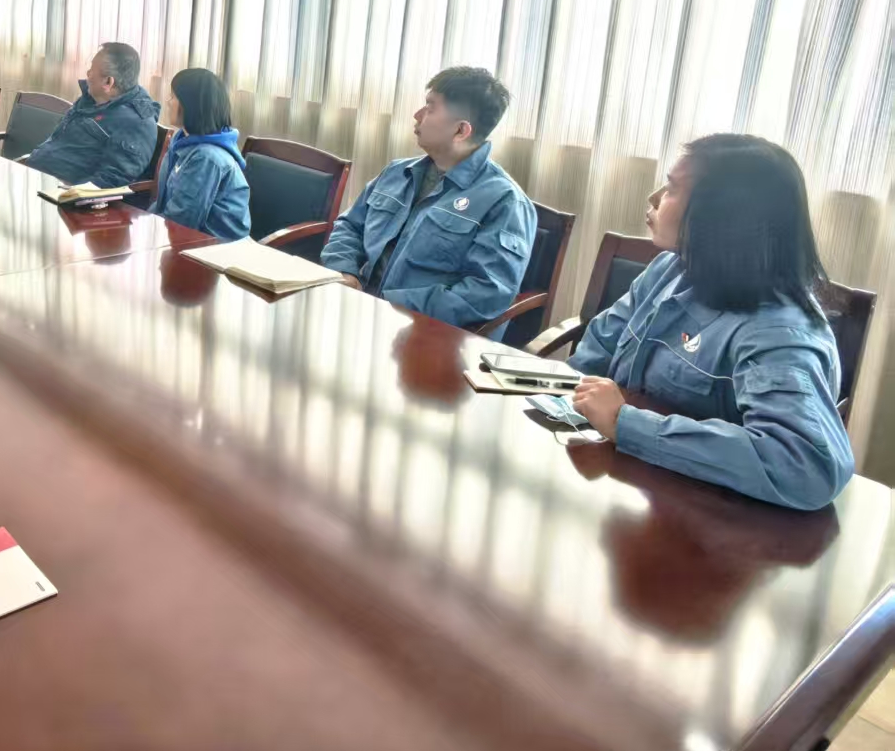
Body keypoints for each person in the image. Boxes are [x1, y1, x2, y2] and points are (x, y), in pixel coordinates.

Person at [568, 134, 854, 511]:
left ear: (722, 215)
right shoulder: (670, 269)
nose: (654, 198)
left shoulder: (778, 330)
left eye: (671, 188)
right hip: (630, 487)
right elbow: (599, 347)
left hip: (713, 521)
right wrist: (558, 400)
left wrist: (626, 423)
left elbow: (806, 465)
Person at [321, 66, 536, 331]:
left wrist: (385, 306)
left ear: (461, 130)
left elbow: (486, 293)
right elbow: (350, 225)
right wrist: (346, 272)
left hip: (426, 333)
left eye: (430, 108)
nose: (417, 115)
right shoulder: (397, 172)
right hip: (358, 313)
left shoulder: (505, 202)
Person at [23, 42, 161, 188]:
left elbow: (112, 180)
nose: (87, 74)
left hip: (65, 193)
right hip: (38, 177)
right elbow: (57, 141)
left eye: (91, 71)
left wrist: (69, 192)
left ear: (108, 82)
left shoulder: (137, 122)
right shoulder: (92, 99)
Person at [151, 68, 250, 241]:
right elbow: (164, 205)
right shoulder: (182, 141)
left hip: (217, 247)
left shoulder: (206, 158)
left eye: (173, 96)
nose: (168, 102)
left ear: (190, 105)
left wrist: (147, 230)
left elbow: (182, 221)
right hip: (186, 238)